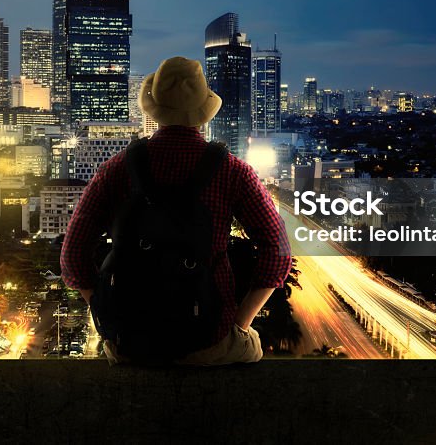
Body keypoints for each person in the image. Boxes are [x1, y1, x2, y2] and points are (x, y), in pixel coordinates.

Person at [60, 56, 292, 365]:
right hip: (209, 341)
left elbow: (72, 257)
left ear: (153, 110)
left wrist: (106, 316)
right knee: (255, 347)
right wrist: (237, 324)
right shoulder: (233, 171)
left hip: (130, 344)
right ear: (204, 112)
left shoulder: (115, 169)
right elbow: (278, 252)